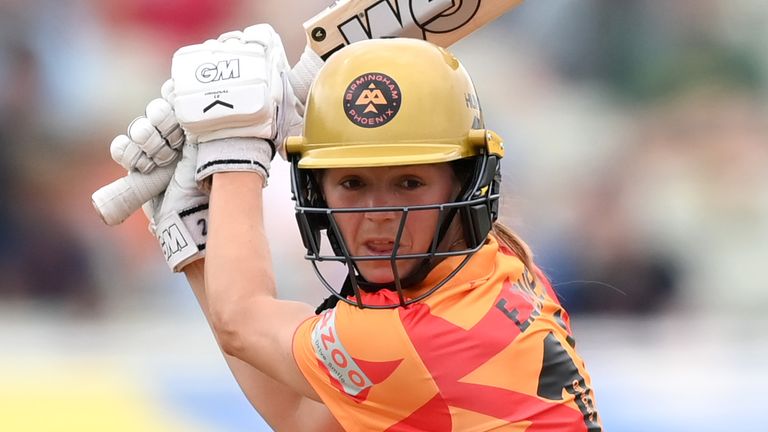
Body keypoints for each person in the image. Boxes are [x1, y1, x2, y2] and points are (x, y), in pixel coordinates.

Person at [103, 25, 602, 431]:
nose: (378, 212)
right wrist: (196, 233)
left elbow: (242, 321)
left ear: (464, 184)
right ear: (318, 191)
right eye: (353, 182)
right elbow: (305, 419)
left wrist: (229, 147)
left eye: (409, 182)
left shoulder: (414, 335)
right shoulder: (497, 265)